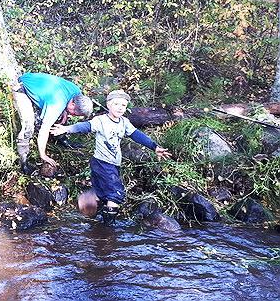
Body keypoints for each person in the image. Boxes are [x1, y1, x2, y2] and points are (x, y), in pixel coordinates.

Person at [50, 89, 172, 224]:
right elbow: (86, 126)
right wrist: (68, 128)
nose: (120, 108)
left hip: (113, 164)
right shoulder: (101, 121)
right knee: (116, 194)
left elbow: (137, 135)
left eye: (123, 105)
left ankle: (90, 200)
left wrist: (154, 147)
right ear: (108, 105)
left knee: (104, 193)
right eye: (116, 104)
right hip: (102, 163)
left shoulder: (124, 122)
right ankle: (108, 228)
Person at [14, 72, 93, 175]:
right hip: (22, 88)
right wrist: (43, 154)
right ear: (73, 104)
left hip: (35, 82)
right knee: (28, 127)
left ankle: (62, 140)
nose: (72, 115)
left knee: (62, 115)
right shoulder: (57, 104)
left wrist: (65, 111)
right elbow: (44, 129)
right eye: (74, 113)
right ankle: (23, 163)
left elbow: (65, 101)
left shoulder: (76, 92)